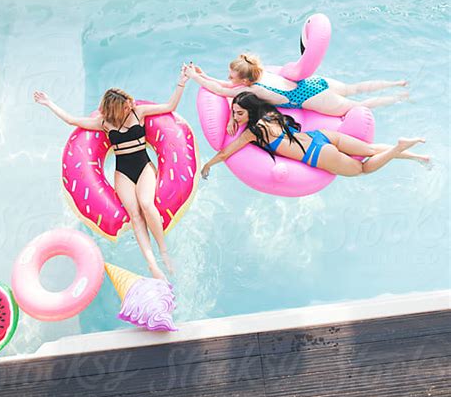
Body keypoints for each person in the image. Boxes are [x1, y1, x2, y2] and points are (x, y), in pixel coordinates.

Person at [34, 69, 189, 282]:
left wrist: (181, 82)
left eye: (130, 102)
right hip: (123, 172)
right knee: (135, 215)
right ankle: (152, 264)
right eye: (126, 104)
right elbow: (71, 120)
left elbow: (170, 106)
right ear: (116, 108)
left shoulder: (139, 113)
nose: (131, 104)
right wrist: (49, 103)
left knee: (146, 203)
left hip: (144, 166)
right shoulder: (103, 123)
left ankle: (163, 251)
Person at [200, 92, 429, 180]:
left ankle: (398, 148)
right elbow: (237, 98)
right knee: (369, 149)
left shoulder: (253, 132)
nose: (236, 117)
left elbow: (226, 152)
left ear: (249, 111)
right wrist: (232, 117)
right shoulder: (270, 113)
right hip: (323, 136)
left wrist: (208, 165)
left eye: (239, 114)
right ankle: (417, 155)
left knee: (362, 170)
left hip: (316, 153)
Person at [184, 53, 409, 134]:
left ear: (243, 80)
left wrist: (194, 78)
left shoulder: (249, 88)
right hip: (313, 82)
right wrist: (205, 75)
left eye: (232, 75)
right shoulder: (258, 74)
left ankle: (399, 99)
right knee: (354, 88)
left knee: (357, 107)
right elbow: (225, 85)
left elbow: (221, 89)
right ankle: (397, 83)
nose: (229, 77)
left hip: (310, 99)